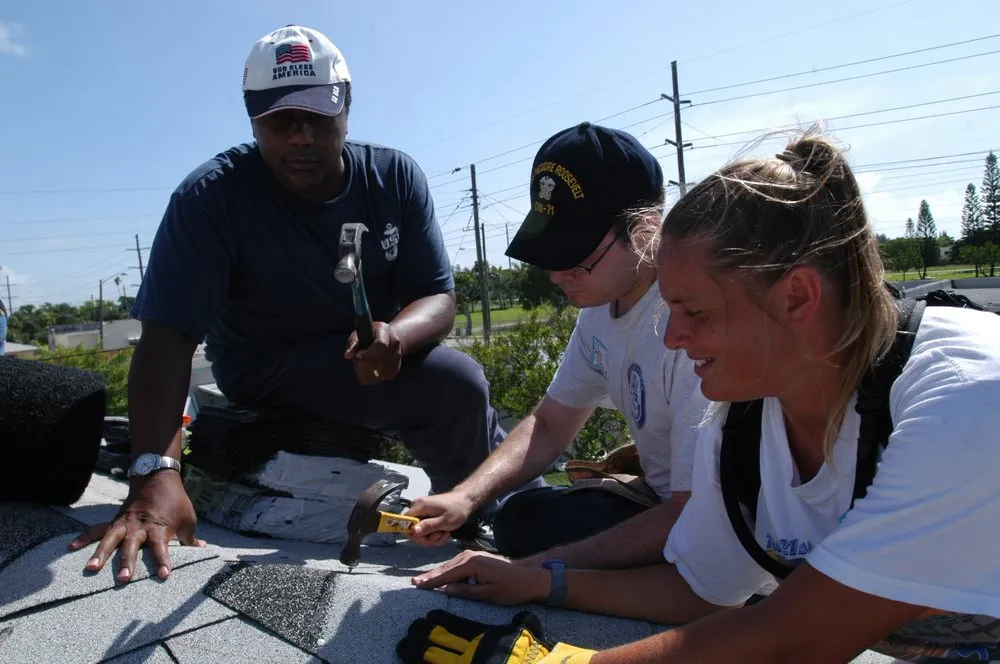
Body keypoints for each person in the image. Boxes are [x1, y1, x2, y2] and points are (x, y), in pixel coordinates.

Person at [402, 128, 1000, 663]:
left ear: (797, 297)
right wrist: (537, 580)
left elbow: (798, 638)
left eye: (694, 311)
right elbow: (697, 589)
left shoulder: (963, 402)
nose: (672, 334)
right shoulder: (738, 424)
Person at [69, 24, 515, 583]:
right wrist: (154, 475)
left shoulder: (393, 178)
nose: (300, 136)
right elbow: (167, 339)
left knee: (474, 405)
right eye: (279, 120)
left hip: (364, 353)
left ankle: (515, 507)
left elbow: (438, 297)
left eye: (317, 117)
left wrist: (395, 335)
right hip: (267, 367)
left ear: (346, 110)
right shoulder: (211, 198)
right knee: (454, 384)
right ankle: (502, 524)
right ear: (252, 118)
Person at [405, 122, 710, 564]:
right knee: (517, 520)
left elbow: (697, 515)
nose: (556, 275)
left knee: (540, 539)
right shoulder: (601, 308)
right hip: (665, 502)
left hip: (709, 520)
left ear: (644, 230)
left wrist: (535, 577)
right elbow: (550, 425)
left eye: (577, 257)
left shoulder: (688, 323)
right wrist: (465, 497)